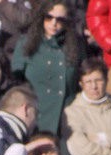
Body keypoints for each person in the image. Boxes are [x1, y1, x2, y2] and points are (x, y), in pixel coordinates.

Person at [11, 0, 84, 136]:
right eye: (49, 17)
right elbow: (16, 82)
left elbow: (83, 78)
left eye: (60, 19)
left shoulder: (76, 45)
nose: (54, 23)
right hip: (36, 117)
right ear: (41, 17)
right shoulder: (26, 43)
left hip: (66, 119)